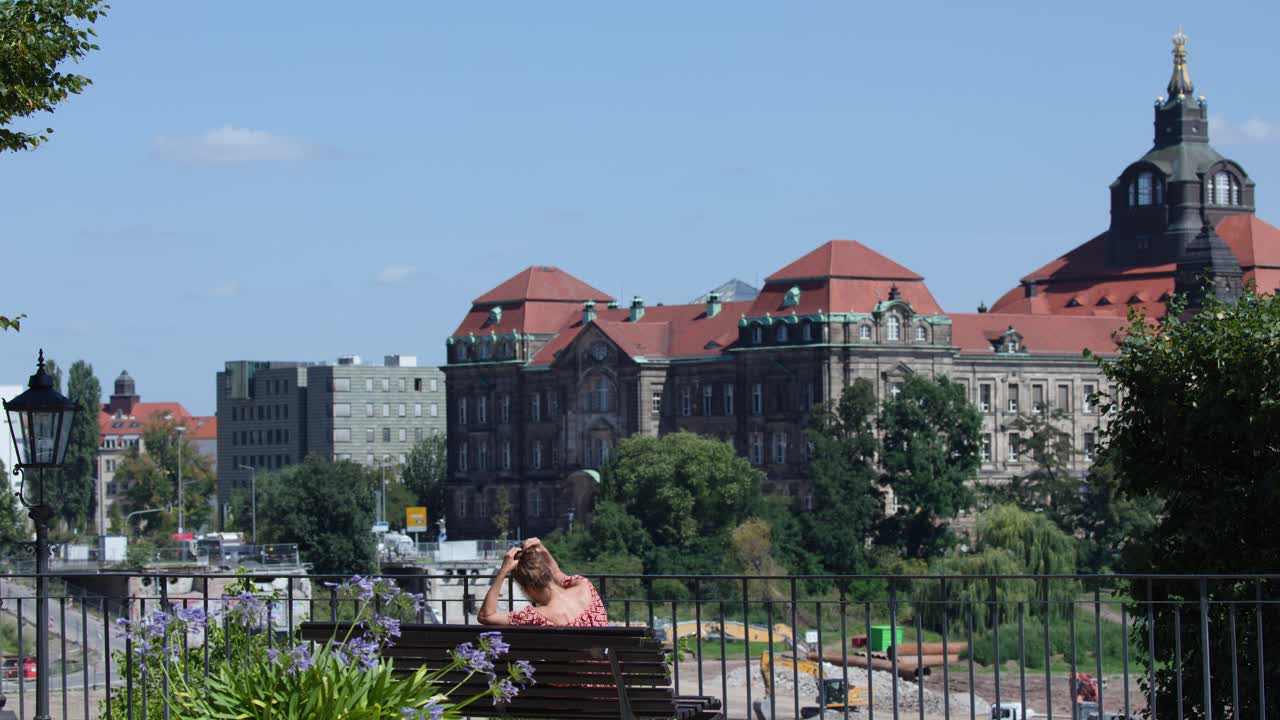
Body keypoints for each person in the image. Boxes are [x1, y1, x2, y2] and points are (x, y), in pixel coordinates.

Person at [477, 537, 608, 626]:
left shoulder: (537, 616)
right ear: (548, 573)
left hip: (568, 668)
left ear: (528, 590)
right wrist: (542, 549)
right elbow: (557, 573)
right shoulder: (584, 586)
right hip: (608, 666)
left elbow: (485, 616)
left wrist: (503, 571)